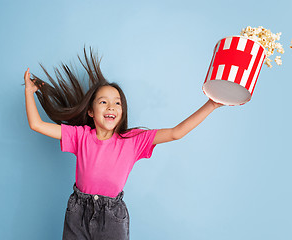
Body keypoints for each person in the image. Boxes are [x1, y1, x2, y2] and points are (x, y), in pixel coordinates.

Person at [23, 47, 223, 239]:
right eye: (103, 102)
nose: (111, 106)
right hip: (78, 213)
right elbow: (36, 124)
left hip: (112, 217)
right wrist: (29, 93)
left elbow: (176, 133)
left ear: (122, 111)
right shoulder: (80, 136)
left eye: (117, 102)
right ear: (90, 112)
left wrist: (211, 104)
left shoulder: (133, 140)